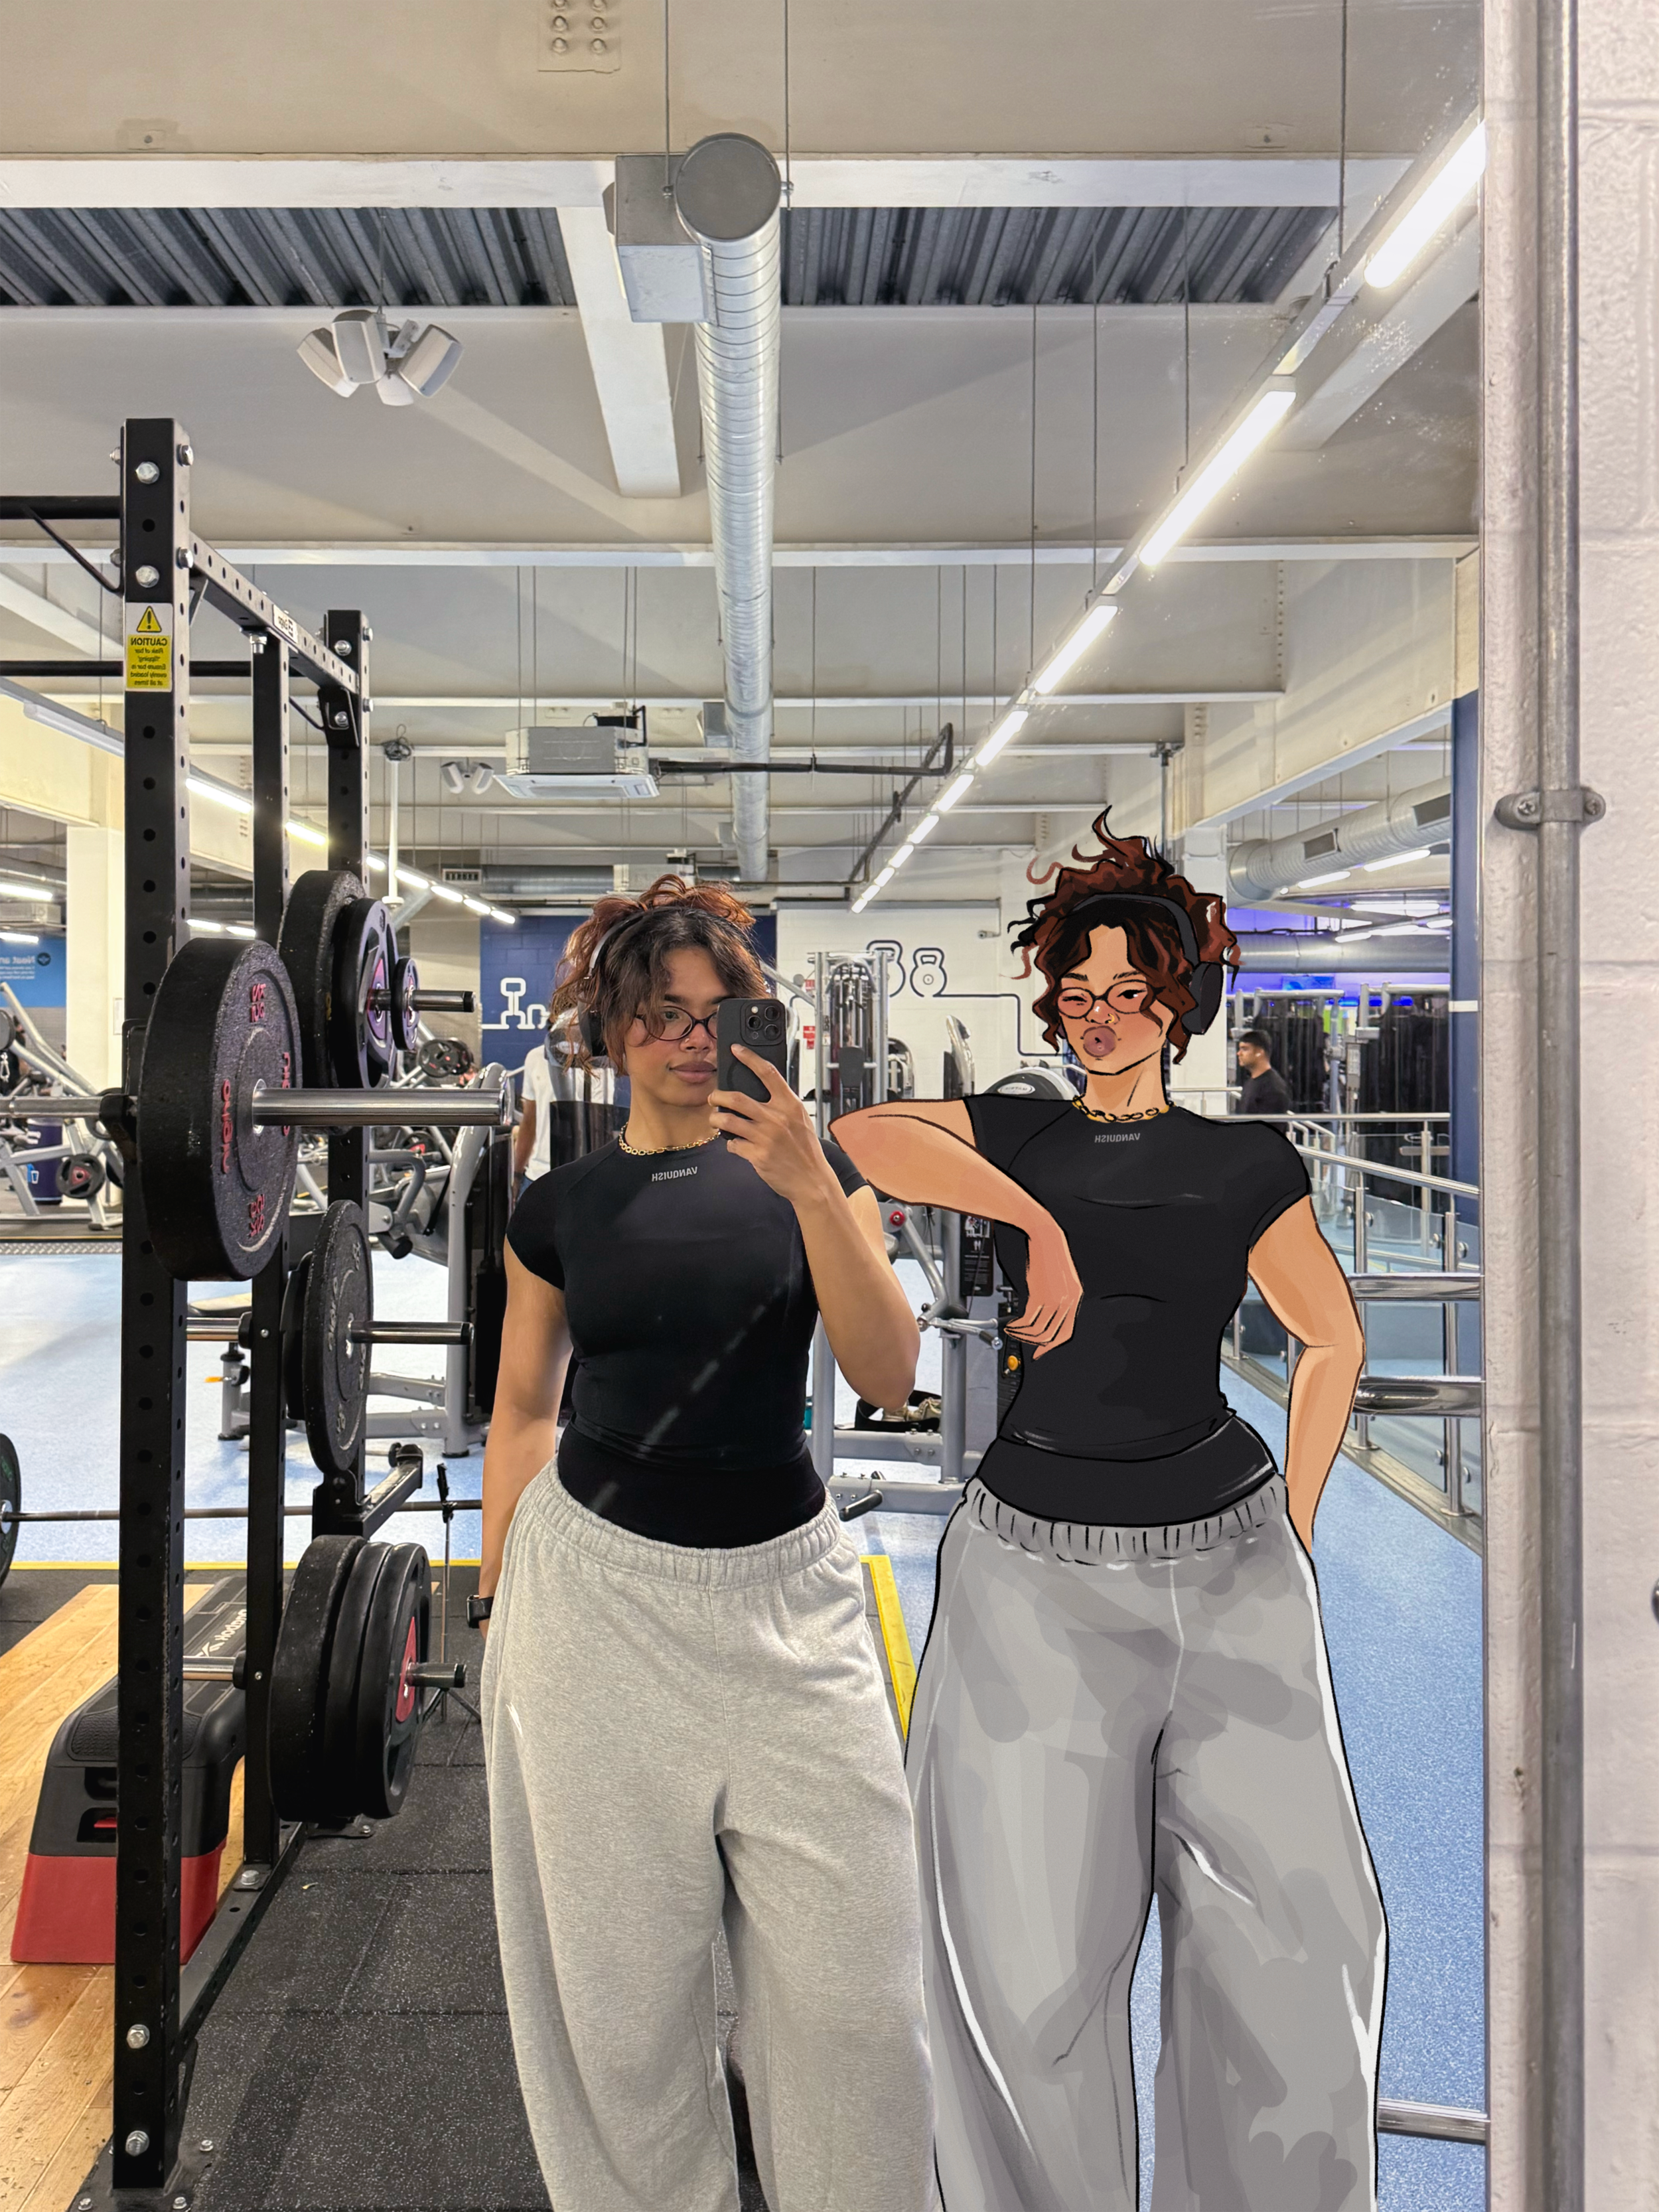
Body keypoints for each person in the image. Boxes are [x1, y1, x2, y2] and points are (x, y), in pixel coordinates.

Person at [832, 814, 1384, 2212]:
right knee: (1018, 1984)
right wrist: (1038, 1210)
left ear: (1176, 1002)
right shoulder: (1017, 1127)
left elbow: (1330, 1341)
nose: (1097, 1020)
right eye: (1074, 997)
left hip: (1230, 1563)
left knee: (1296, 1961)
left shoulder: (1242, 1167)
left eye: (1127, 995)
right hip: (1031, 1582)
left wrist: (1298, 1532)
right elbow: (862, 1135)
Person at [476, 875, 936, 2212]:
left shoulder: (813, 1167)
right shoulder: (559, 1207)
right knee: (624, 2020)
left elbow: (886, 1365)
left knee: (860, 2008)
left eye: (711, 1009)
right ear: (608, 1033)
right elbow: (518, 1409)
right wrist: (498, 1601)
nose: (687, 1035)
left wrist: (804, 1180)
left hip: (788, 1601)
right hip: (593, 1610)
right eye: (656, 1013)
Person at [1237, 1025, 1295, 1116]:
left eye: (1245, 1049)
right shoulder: (1251, 1082)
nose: (1239, 1053)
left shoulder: (1273, 1089)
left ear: (1259, 1052)